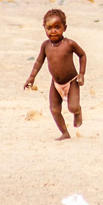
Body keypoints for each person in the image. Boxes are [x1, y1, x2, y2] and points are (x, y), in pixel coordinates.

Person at [23, 9, 87, 141]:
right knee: (54, 109)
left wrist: (81, 73)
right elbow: (39, 61)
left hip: (72, 81)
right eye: (49, 28)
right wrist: (32, 77)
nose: (53, 31)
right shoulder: (45, 46)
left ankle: (78, 111)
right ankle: (64, 133)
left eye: (57, 27)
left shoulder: (69, 44)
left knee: (72, 107)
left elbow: (82, 55)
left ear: (65, 28)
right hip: (56, 83)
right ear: (44, 29)